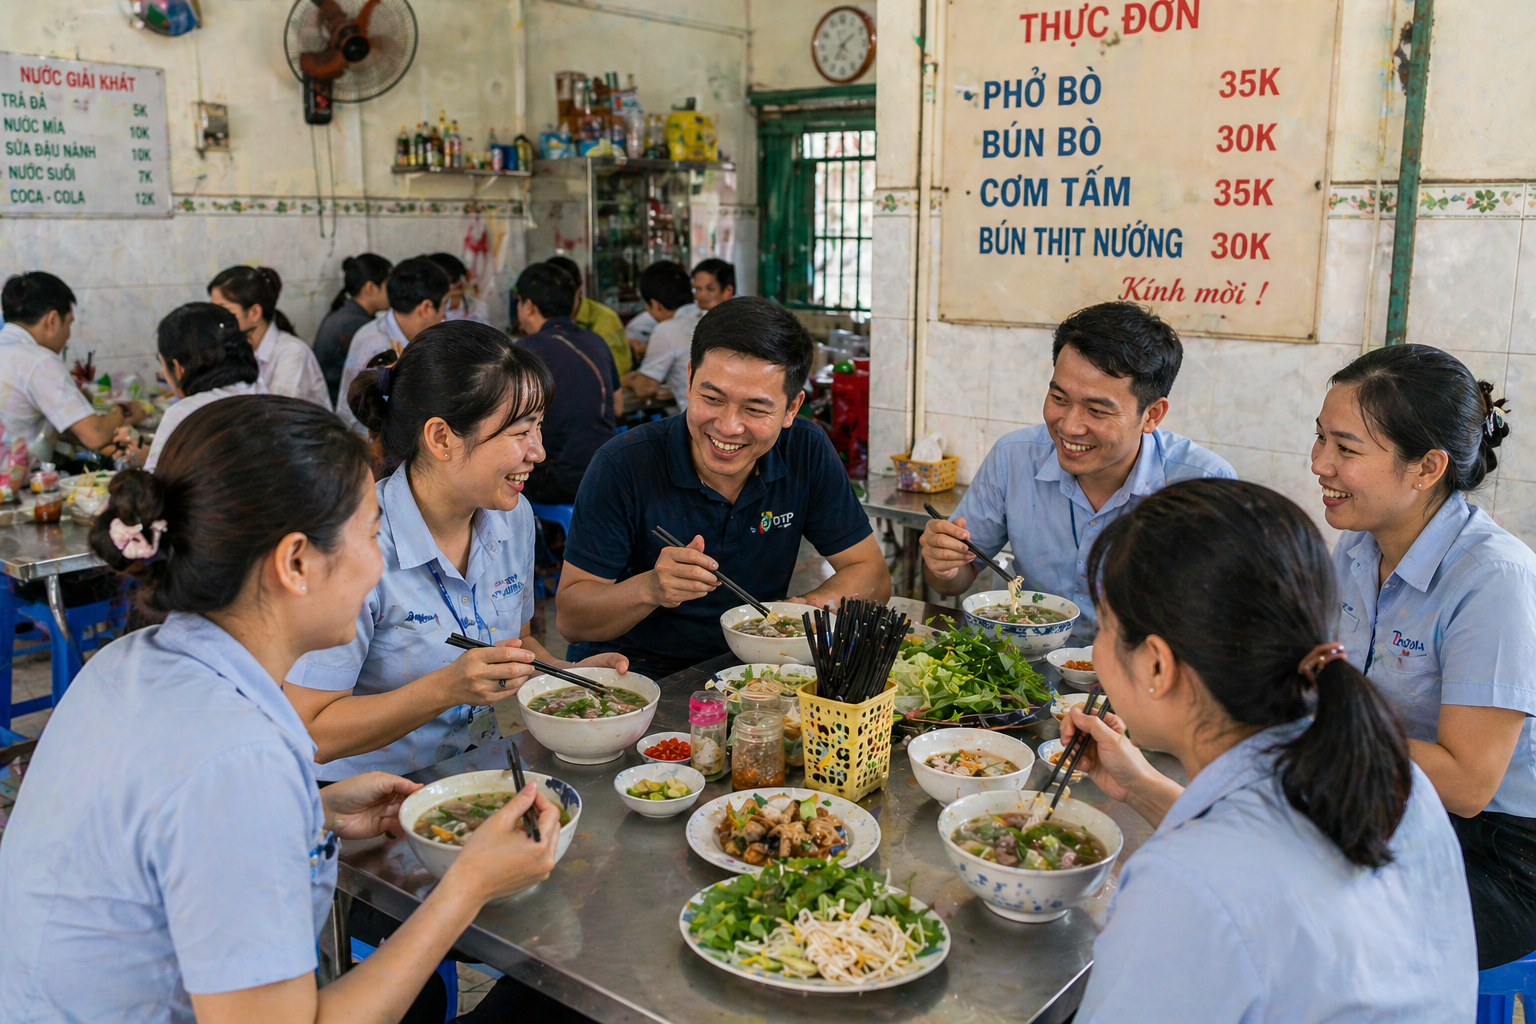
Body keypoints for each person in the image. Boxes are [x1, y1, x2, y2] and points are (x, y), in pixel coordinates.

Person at [0, 395, 563, 1022]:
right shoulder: (242, 759)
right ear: (296, 562)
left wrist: (310, 814)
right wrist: (468, 884)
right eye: (373, 533)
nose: (380, 563)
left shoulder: (127, 661)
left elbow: (167, 843)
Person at [1059, 478, 1475, 1021]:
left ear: (1157, 666)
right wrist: (1140, 785)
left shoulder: (1177, 890)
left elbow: (1226, 882)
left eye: (1105, 627)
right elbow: (1263, 862)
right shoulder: (1390, 776)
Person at [285, 320, 628, 781]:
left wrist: (573, 675)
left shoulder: (514, 517)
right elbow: (312, 731)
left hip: (473, 772)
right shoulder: (353, 547)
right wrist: (445, 688)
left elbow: (516, 646)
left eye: (539, 427)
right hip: (364, 801)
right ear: (442, 438)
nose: (539, 451)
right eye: (519, 432)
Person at [1313, 344, 1536, 971]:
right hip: (1393, 806)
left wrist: (1329, 727)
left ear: (1426, 468)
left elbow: (1467, 785)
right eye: (1320, 439)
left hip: (1498, 852)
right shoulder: (1359, 545)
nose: (1320, 464)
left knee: (1316, 933)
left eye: (1347, 450)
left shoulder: (1493, 577)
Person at [557, 297, 890, 679]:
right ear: (689, 379)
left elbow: (873, 575)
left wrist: (807, 608)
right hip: (636, 678)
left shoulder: (806, 450)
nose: (728, 427)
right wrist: (650, 588)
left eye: (755, 409)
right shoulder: (624, 464)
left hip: (752, 673)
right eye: (712, 398)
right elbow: (571, 618)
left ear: (792, 408)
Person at [919, 302, 1233, 636]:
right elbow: (955, 580)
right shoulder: (1014, 457)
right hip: (1029, 673)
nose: (1069, 427)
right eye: (1059, 398)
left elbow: (1218, 622)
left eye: (1097, 411)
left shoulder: (1203, 485)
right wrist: (943, 564)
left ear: (1152, 415)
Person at [0, 272, 146, 462]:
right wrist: (121, 411)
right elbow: (96, 435)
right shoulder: (39, 361)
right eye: (69, 323)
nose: (69, 334)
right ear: (52, 321)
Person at [512, 263, 619, 506]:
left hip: (559, 480)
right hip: (605, 470)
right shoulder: (596, 341)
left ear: (528, 306)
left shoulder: (524, 351)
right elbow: (619, 405)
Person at [128, 302, 263, 472]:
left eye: (162, 364)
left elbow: (155, 489)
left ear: (178, 368)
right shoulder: (261, 391)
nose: (162, 371)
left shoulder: (183, 414)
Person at [335, 256, 449, 434]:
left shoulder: (406, 332)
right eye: (444, 304)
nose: (445, 314)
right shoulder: (376, 345)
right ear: (426, 307)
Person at [208, 266, 329, 409]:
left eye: (224, 311)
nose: (216, 321)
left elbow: (275, 413)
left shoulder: (292, 352)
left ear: (254, 312)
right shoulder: (231, 349)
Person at [315, 253, 392, 406]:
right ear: (370, 287)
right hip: (339, 404)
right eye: (390, 284)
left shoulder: (346, 312)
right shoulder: (356, 324)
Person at [623, 260, 700, 409]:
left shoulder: (666, 330)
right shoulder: (712, 316)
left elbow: (645, 388)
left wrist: (628, 381)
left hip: (698, 424)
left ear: (655, 304)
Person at [546, 254, 631, 376]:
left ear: (579, 285)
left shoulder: (605, 319)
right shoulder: (545, 316)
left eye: (565, 294)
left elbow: (612, 372)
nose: (559, 301)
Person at [426, 252, 492, 325]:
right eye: (452, 281)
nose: (460, 283)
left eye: (461, 277)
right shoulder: (428, 312)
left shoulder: (478, 309)